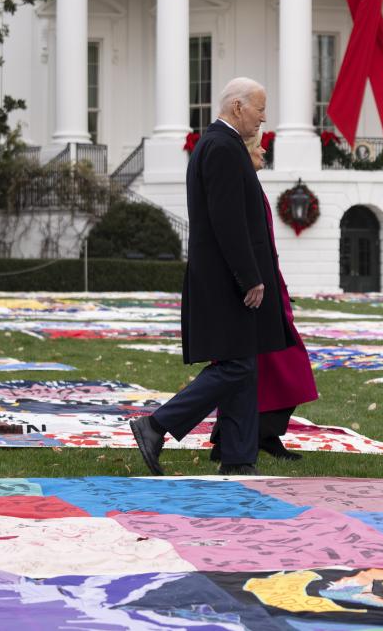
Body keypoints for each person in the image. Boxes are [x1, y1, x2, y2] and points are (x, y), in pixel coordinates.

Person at [130, 78, 296, 477]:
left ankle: (238, 458)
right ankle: (155, 425)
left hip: (223, 279)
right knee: (237, 366)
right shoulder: (222, 148)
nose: (264, 117)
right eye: (259, 108)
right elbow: (228, 222)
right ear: (238, 107)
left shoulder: (218, 145)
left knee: (244, 364)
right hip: (227, 282)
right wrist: (250, 277)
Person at [209, 128, 319, 463]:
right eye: (259, 148)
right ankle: (243, 437)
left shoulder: (253, 186)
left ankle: (255, 435)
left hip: (266, 289)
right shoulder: (242, 184)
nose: (264, 153)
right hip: (253, 294)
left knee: (280, 368)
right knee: (276, 367)